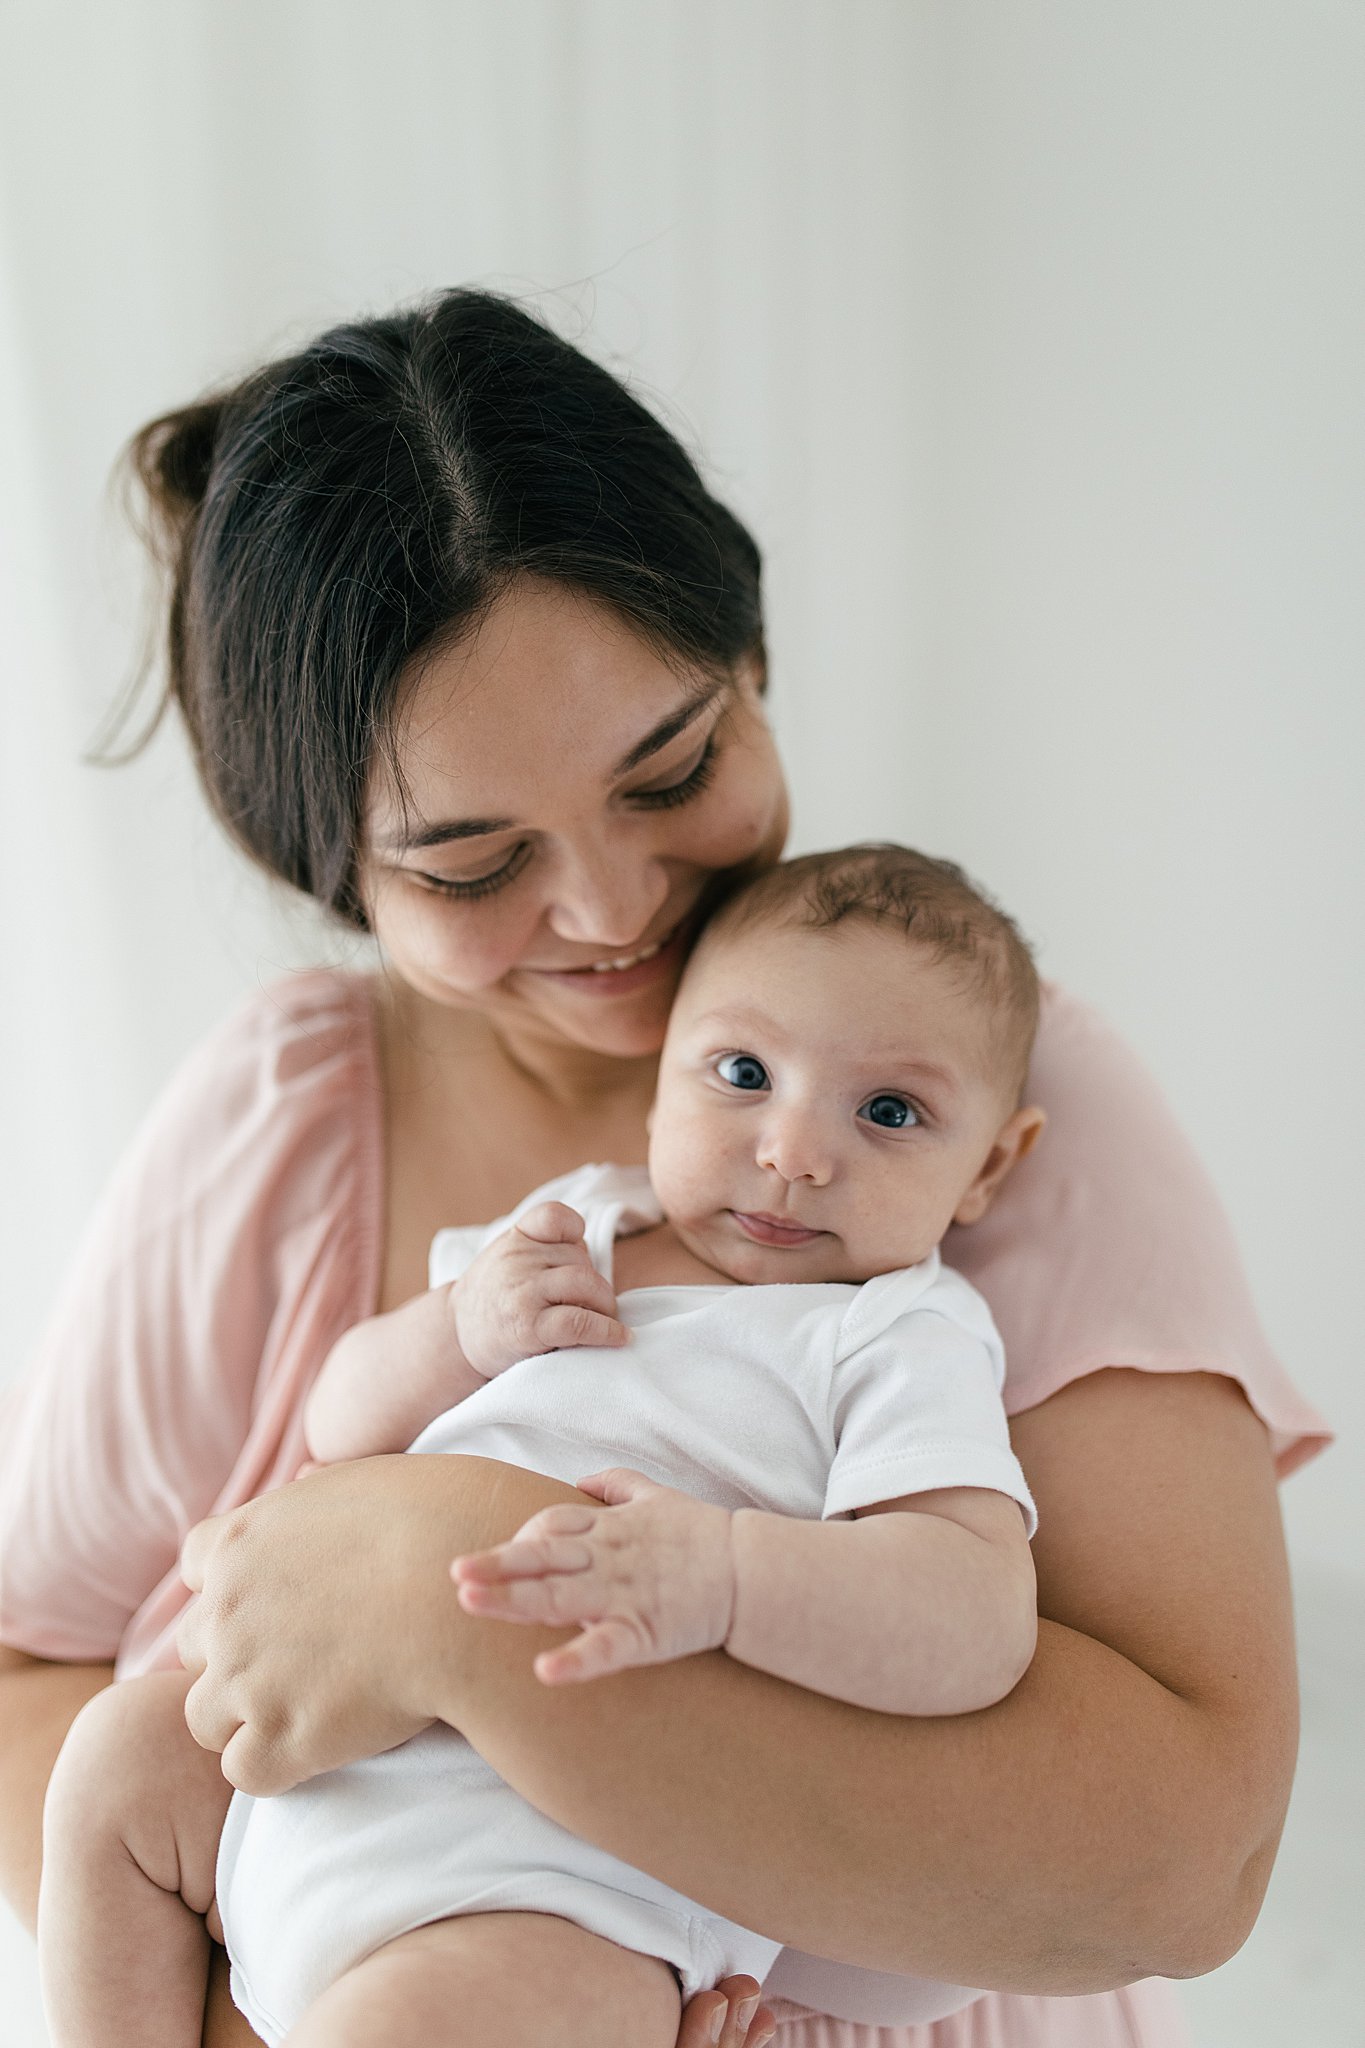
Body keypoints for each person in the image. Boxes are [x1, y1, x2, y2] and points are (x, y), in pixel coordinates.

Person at [0, 289, 1329, 2048]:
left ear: (755, 660)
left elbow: (1189, 1857)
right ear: (346, 881)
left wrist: (441, 1591)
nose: (620, 912)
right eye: (474, 865)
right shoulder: (291, 1120)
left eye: (676, 766)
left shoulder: (991, 1102)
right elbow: (31, 1674)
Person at [38, 844, 1047, 2048]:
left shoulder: (894, 1328)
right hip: (314, 1763)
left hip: (567, 1878)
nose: (792, 1149)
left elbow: (973, 1609)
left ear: (987, 1165)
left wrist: (725, 1576)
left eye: (889, 1111)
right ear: (660, 1073)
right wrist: (455, 1331)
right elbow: (340, 1422)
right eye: (741, 1072)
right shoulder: (579, 1224)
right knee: (114, 1762)